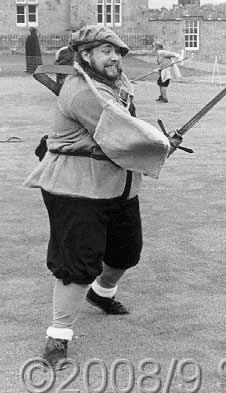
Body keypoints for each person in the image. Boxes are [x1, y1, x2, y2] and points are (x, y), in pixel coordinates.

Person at [23, 24, 183, 369]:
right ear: (85, 56)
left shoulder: (114, 86)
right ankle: (58, 336)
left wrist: (160, 142)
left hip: (118, 185)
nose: (114, 58)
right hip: (76, 188)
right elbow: (121, 133)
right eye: (105, 51)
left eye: (118, 52)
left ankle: (102, 293)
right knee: (77, 265)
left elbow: (128, 131)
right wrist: (162, 144)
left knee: (126, 252)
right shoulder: (82, 92)